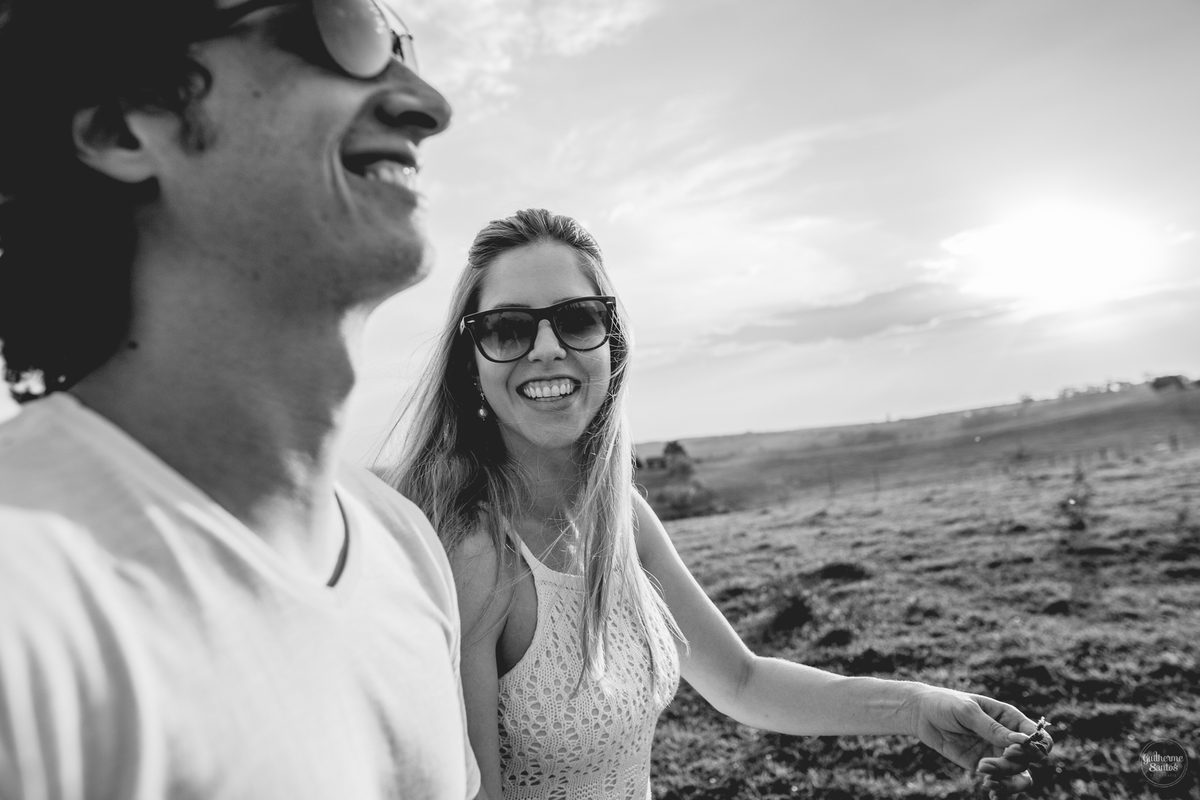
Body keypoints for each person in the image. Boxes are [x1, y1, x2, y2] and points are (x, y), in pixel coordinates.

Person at [382, 208, 1050, 800]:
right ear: (471, 362)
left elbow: (741, 681)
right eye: (507, 329)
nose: (548, 348)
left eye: (577, 319)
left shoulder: (620, 517)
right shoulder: (474, 550)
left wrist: (919, 707)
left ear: (611, 344)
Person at [0, 1, 480, 798]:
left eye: (402, 45)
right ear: (124, 128)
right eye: (342, 28)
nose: (428, 106)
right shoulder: (25, 597)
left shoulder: (406, 547)